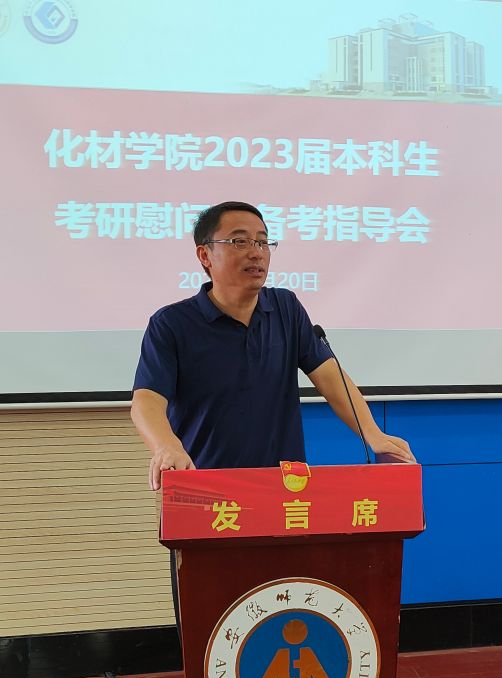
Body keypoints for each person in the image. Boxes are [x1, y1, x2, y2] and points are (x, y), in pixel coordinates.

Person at [130, 201, 415, 629]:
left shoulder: (285, 308)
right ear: (205, 255)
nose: (256, 252)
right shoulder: (172, 324)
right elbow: (146, 400)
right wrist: (166, 445)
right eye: (239, 241)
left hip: (284, 493)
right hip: (208, 496)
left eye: (263, 243)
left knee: (283, 610)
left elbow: (329, 376)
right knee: (212, 620)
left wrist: (372, 434)